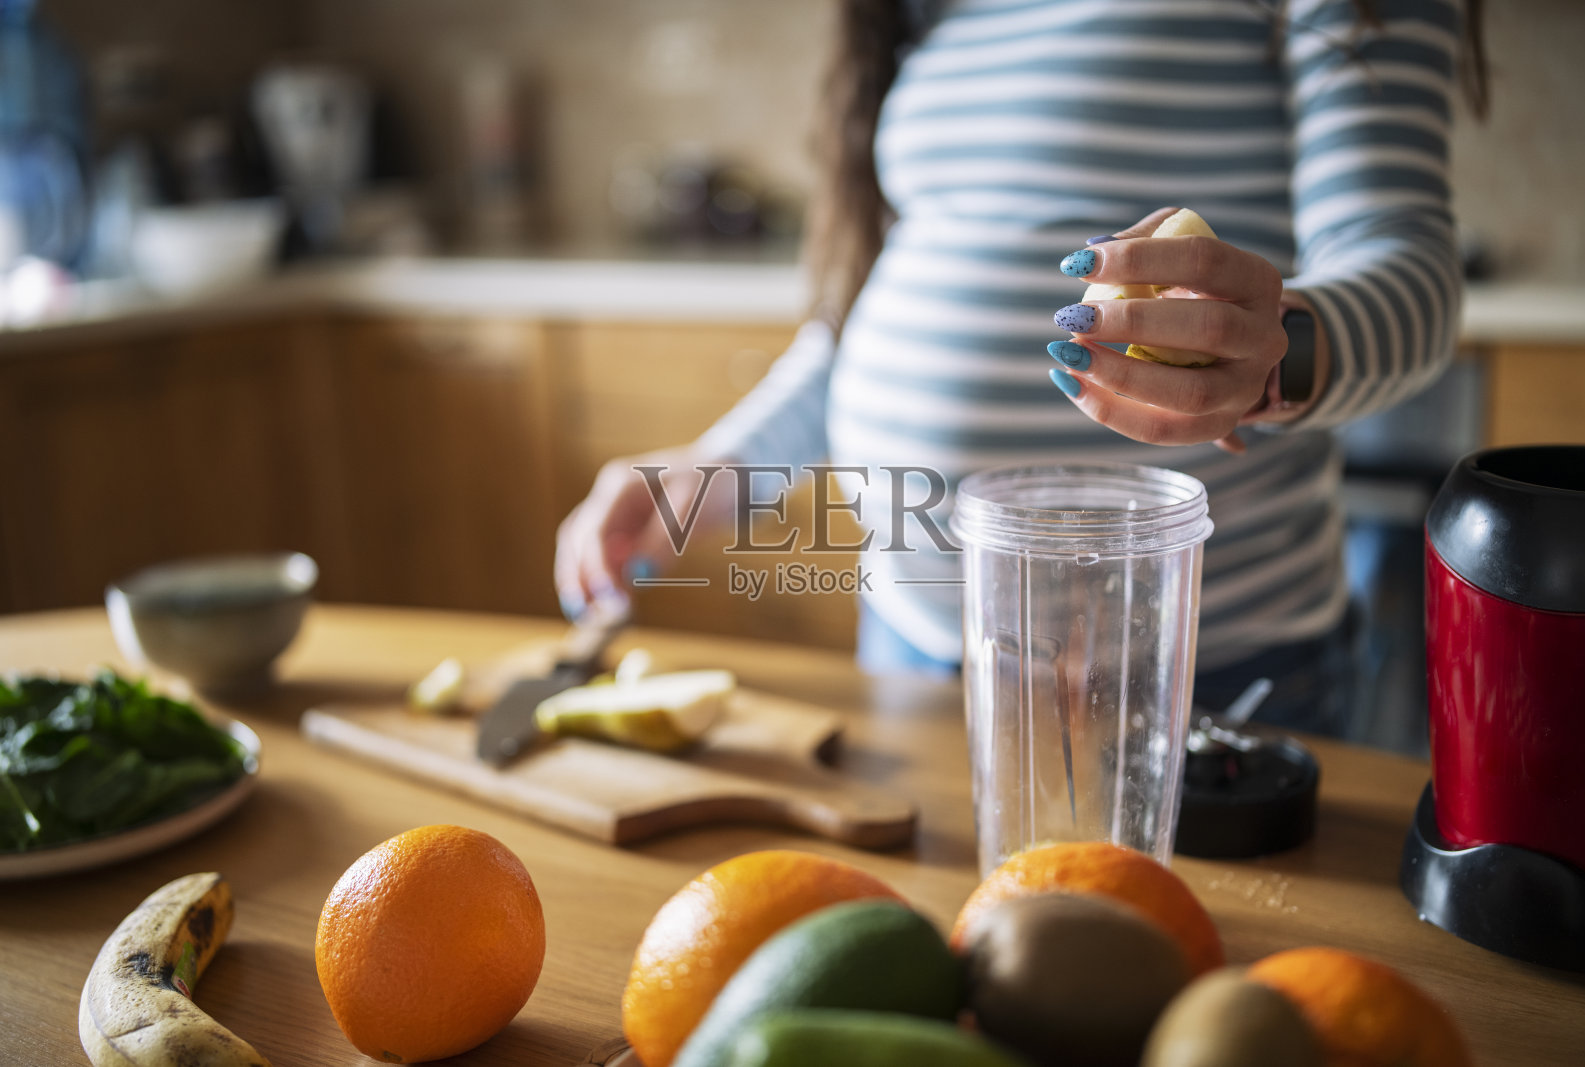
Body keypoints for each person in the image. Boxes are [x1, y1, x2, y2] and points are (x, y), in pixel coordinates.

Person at [556, 0, 1487, 735]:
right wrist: (718, 469)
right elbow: (880, 312)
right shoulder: (926, 7)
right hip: (912, 639)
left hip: (1193, 669)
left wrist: (1284, 351)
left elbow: (1409, 268)